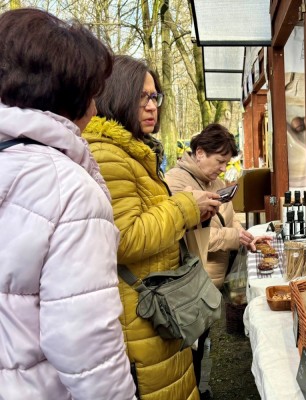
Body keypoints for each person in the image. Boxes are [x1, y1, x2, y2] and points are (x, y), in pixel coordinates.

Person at [0, 9, 135, 399]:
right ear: (73, 96)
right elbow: (86, 342)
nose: (95, 108)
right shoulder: (68, 188)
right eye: (93, 93)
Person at [82, 55, 222, 399]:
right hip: (140, 313)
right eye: (141, 96)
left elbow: (147, 217)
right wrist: (187, 206)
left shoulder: (133, 152)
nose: (151, 106)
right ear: (116, 96)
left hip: (154, 308)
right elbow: (125, 237)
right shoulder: (107, 154)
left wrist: (189, 212)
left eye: (154, 96)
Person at [165, 124, 271, 394]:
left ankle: (199, 387)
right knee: (189, 346)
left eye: (227, 162)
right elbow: (197, 236)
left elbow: (231, 220)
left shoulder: (217, 183)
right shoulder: (176, 182)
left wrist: (246, 236)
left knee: (203, 339)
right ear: (200, 153)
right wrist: (233, 238)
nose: (223, 168)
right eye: (220, 161)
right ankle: (193, 390)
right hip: (191, 281)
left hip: (211, 280)